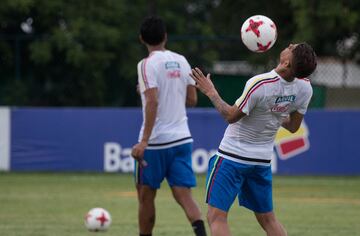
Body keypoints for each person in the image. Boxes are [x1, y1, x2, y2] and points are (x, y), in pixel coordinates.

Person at [190, 43, 317, 236]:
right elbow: (293, 126)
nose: (289, 45)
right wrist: (274, 111)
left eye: (292, 47)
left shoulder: (260, 83)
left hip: (232, 158)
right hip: (261, 162)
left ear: (287, 61)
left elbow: (230, 116)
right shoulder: (305, 88)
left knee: (216, 216)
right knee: (268, 219)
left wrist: (211, 92)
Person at [131, 16, 207, 236]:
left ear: (141, 39)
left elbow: (153, 101)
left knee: (146, 196)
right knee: (184, 195)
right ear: (165, 36)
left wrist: (144, 141)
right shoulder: (182, 60)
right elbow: (192, 100)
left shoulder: (145, 64)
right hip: (182, 139)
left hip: (155, 143)